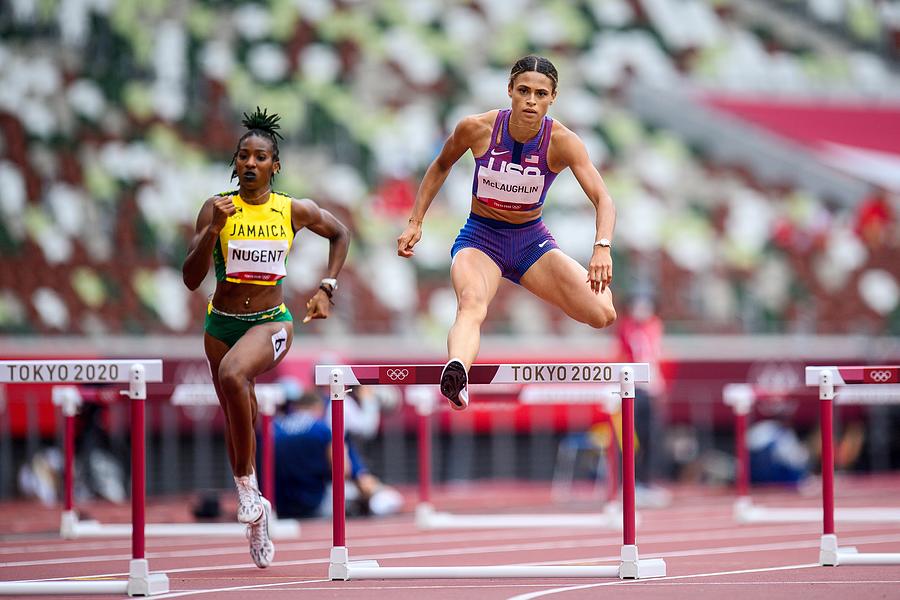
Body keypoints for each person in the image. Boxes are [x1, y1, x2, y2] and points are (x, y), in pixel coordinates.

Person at [397, 55, 617, 410]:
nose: (531, 100)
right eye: (524, 91)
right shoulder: (477, 128)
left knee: (602, 313)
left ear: (553, 97)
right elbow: (441, 164)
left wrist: (601, 247)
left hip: (530, 242)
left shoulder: (563, 142)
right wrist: (416, 221)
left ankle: (459, 369)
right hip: (481, 239)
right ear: (510, 92)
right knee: (471, 303)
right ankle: (457, 371)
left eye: (540, 93)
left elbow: (603, 199)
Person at [181, 107, 350, 568]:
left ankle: (248, 492)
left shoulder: (292, 210)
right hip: (220, 325)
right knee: (241, 420)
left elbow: (340, 234)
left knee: (236, 376)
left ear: (274, 166)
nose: (250, 164)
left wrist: (326, 287)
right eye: (243, 157)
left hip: (273, 322)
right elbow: (191, 279)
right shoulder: (216, 208)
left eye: (260, 157)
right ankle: (257, 513)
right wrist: (211, 231)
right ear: (234, 163)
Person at [273, 385, 403, 519]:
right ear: (318, 407)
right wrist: (370, 402)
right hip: (314, 502)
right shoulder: (323, 428)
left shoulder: (275, 426)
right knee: (381, 498)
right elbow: (343, 470)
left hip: (278, 503)